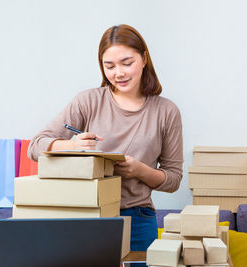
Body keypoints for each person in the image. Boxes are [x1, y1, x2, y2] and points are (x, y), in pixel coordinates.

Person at [28, 24, 183, 251]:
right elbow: (35, 146)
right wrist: (70, 145)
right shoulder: (87, 101)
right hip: (86, 216)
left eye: (127, 63)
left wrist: (139, 170)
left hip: (138, 219)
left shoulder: (166, 111)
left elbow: (174, 179)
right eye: (109, 66)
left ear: (144, 58)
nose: (118, 73)